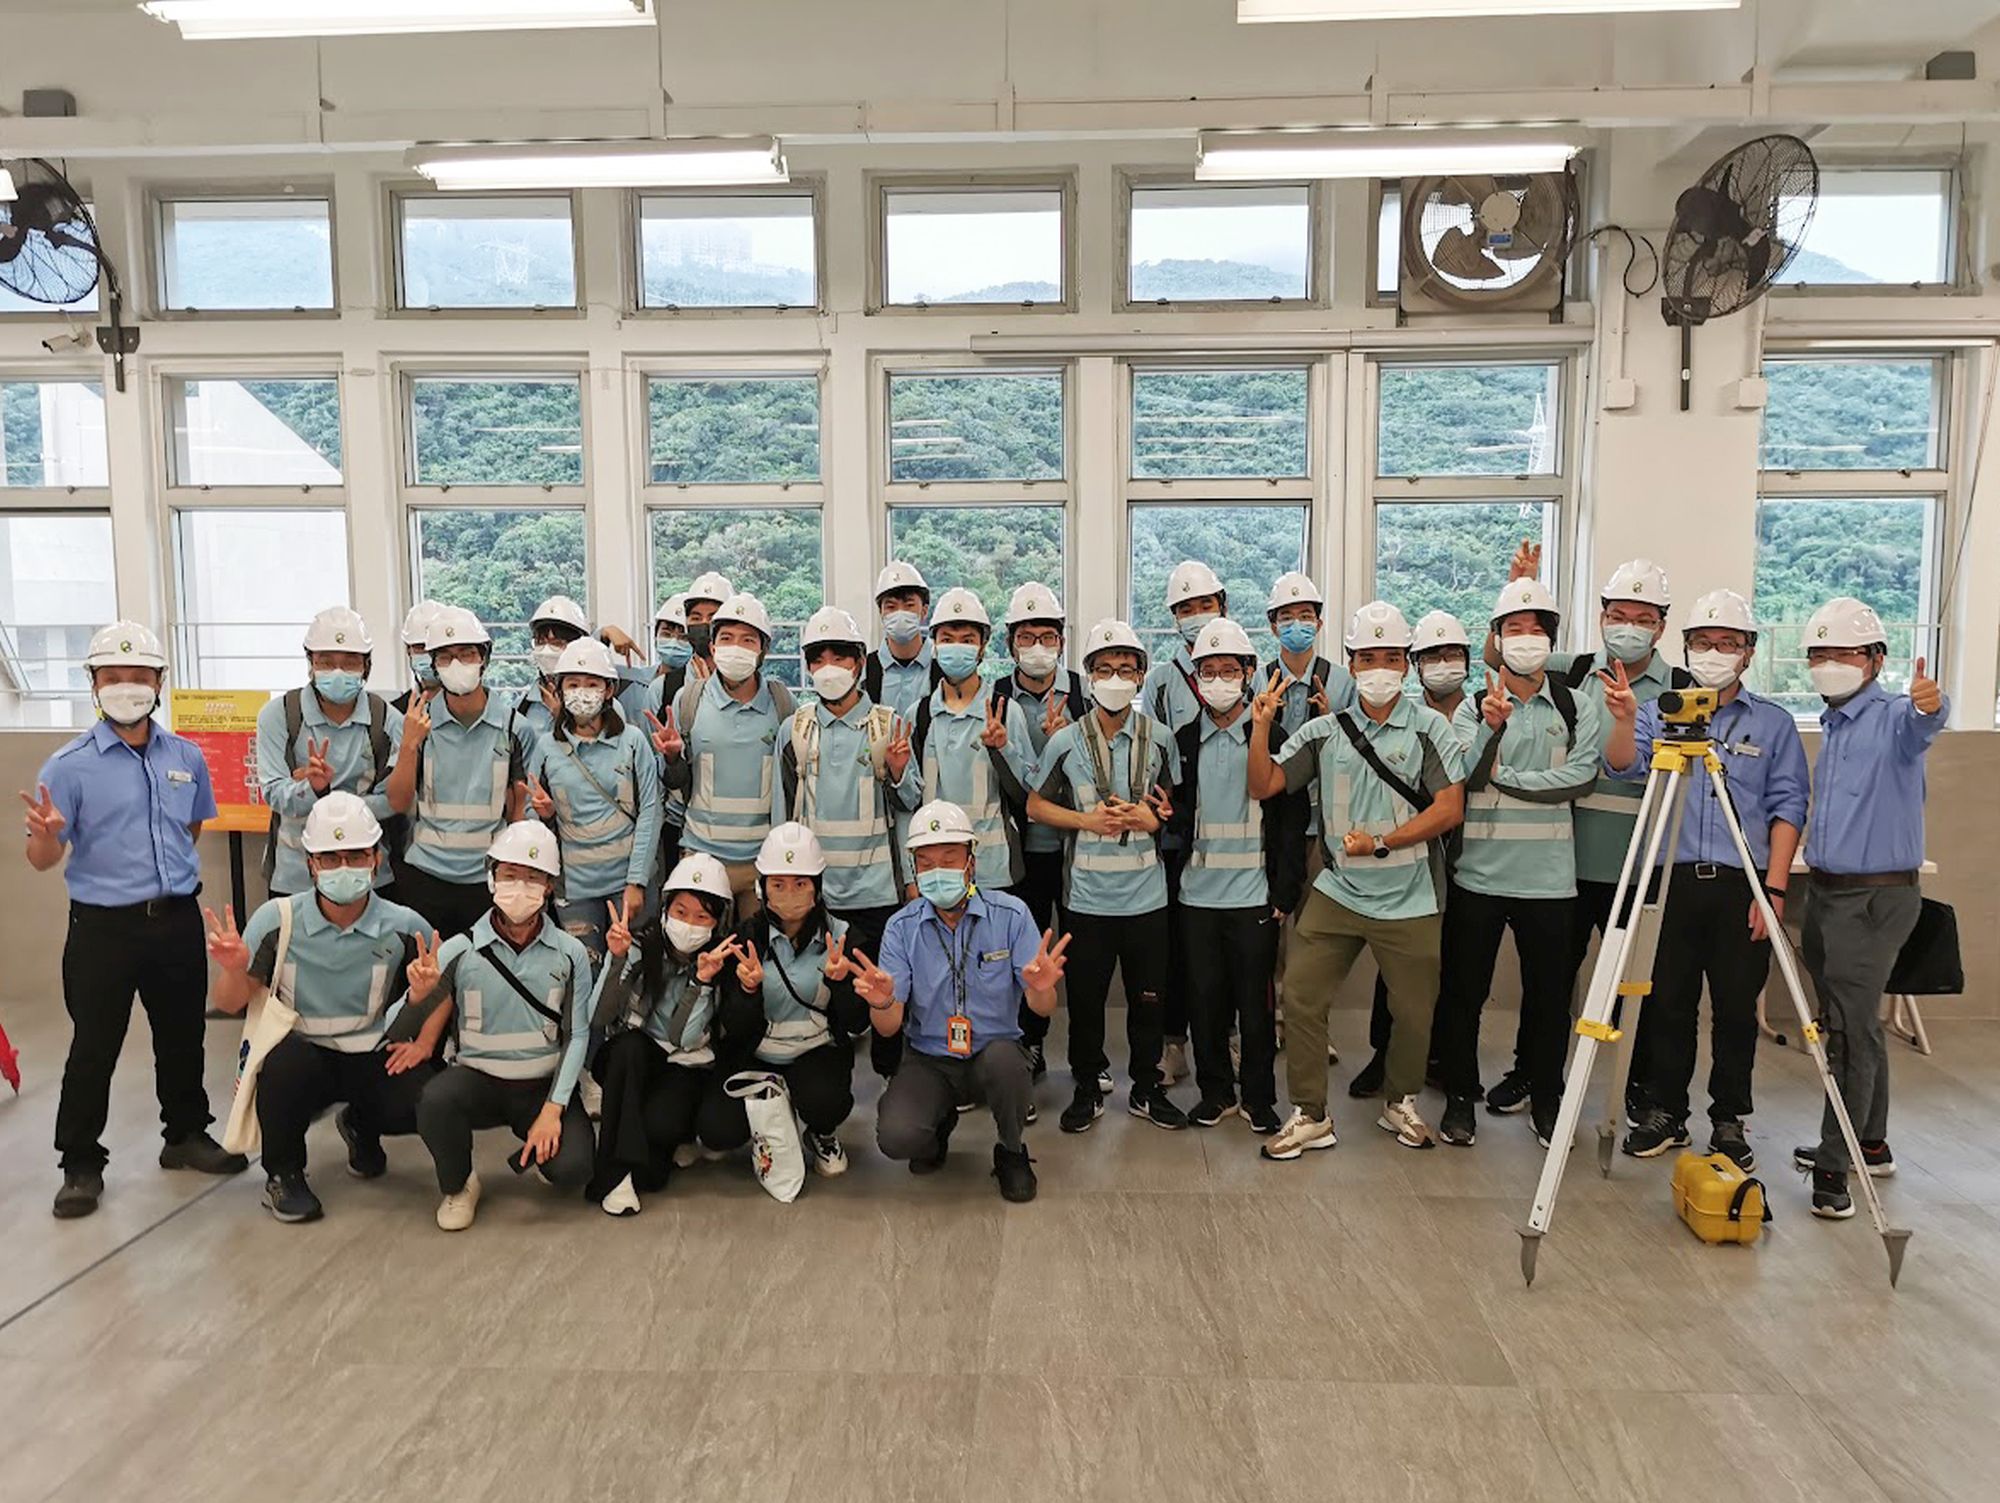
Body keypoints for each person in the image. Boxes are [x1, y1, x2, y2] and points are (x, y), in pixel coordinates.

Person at [22, 621, 247, 1218]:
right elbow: (43, 859)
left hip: (174, 920)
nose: (127, 687)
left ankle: (185, 1136)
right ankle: (80, 1163)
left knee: (182, 1037)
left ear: (159, 682)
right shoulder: (68, 766)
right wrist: (46, 838)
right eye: (113, 676)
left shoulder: (187, 756)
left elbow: (191, 826)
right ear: (93, 684)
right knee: (94, 1046)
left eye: (139, 676)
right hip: (102, 929)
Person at [1247, 602, 1467, 1158]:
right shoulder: (1326, 732)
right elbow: (1266, 785)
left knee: (1415, 1012)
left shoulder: (1428, 728)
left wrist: (1385, 842)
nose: (1378, 669)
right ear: (1349, 660)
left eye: (1391, 657)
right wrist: (1261, 727)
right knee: (1299, 995)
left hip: (1411, 895)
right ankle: (1310, 1114)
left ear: (1407, 664)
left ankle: (1401, 1102)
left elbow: (1449, 808)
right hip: (1339, 890)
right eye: (1367, 658)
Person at [1600, 589, 1808, 1173]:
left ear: (1748, 651)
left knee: (1738, 1008)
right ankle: (1665, 1111)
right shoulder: (1658, 711)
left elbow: (1789, 805)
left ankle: (1729, 1118)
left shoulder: (1774, 722)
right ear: (1685, 647)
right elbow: (1623, 766)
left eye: (1727, 644)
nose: (1715, 653)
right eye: (1703, 643)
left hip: (1744, 884)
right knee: (1669, 1002)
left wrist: (1772, 893)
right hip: (1671, 878)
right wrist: (1621, 720)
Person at [1489, 546, 1681, 1117]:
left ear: (1662, 626)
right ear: (1601, 616)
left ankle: (1639, 1088)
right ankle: (1532, 1072)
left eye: (1644, 618)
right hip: (1567, 861)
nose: (1629, 627)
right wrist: (1515, 595)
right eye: (1619, 614)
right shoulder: (1571, 670)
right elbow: (1500, 663)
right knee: (1550, 982)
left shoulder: (1681, 686)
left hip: (1639, 864)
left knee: (1635, 987)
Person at [204, 794, 436, 1223]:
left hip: (370, 1053)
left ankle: (361, 1127)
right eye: (330, 858)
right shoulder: (276, 920)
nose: (343, 867)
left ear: (376, 858)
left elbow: (440, 992)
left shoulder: (405, 926)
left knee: (428, 1096)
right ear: (310, 864)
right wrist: (236, 970)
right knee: (281, 1067)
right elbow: (229, 1002)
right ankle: (284, 1174)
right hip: (304, 1055)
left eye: (355, 855)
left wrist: (423, 1042)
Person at [1788, 597, 1946, 1219]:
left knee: (1850, 1035)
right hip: (1828, 892)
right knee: (1850, 1024)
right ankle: (1869, 1141)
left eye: (1844, 654)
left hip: (1875, 897)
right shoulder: (1836, 722)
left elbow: (1923, 724)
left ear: (1876, 660)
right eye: (1818, 655)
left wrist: (1932, 703)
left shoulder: (1893, 717)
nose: (1829, 665)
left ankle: (1835, 1166)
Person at [1432, 578, 1603, 1149]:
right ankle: (1460, 1099)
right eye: (1514, 630)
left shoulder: (1577, 705)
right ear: (1497, 639)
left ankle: (1548, 1098)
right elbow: (1466, 777)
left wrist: (1510, 779)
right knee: (1463, 994)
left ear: (1551, 640)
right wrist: (1491, 727)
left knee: (1551, 1000)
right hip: (1478, 876)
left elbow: (1579, 780)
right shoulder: (1470, 711)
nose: (1525, 640)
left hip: (1550, 883)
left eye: (1536, 631)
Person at [853, 801, 1068, 1203]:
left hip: (994, 1050)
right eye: (927, 862)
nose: (939, 871)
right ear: (914, 867)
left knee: (1008, 1064)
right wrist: (883, 1003)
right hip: (930, 1058)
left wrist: (1040, 988)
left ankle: (1010, 1150)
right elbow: (888, 1026)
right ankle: (935, 1132)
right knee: (897, 1137)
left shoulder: (1012, 914)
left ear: (971, 861)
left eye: (949, 858)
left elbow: (1042, 1009)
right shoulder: (901, 929)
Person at [1029, 619, 1184, 1132]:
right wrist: (1084, 820)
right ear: (1089, 676)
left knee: (1148, 1001)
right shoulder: (1066, 741)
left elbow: (1175, 806)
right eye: (1103, 669)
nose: (1114, 678)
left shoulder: (1160, 739)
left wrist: (1156, 818)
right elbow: (1035, 805)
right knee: (1088, 1005)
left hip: (1146, 900)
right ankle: (1086, 1088)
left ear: (1140, 677)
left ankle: (1145, 1088)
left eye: (1124, 670)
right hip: (1088, 899)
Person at [402, 820, 595, 1230]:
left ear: (549, 886)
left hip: (541, 1085)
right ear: (491, 878)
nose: (520, 887)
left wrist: (554, 1109)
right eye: (509, 875)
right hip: (478, 1080)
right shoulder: (459, 950)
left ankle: (543, 1150)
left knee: (575, 1169)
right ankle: (458, 1185)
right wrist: (416, 996)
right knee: (435, 1099)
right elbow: (394, 1026)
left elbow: (578, 1034)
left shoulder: (571, 952)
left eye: (533, 877)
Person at [1168, 618, 1296, 1135]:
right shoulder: (1182, 740)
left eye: (1228, 669)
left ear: (1248, 672)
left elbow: (1290, 823)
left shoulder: (1273, 735)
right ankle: (1215, 1092)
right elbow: (1177, 816)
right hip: (1196, 896)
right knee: (1205, 1002)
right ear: (1195, 678)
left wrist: (1285, 891)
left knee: (1256, 1005)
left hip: (1254, 898)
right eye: (1207, 671)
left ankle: (1260, 1097)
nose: (1218, 679)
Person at [778, 606, 918, 1076]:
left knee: (884, 995)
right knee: (832, 1002)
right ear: (808, 666)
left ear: (860, 662)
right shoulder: (796, 728)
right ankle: (830, 1087)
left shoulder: (886, 724)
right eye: (819, 657)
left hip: (878, 893)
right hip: (820, 895)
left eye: (841, 656)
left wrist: (898, 772)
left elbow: (912, 802)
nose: (830, 667)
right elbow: (787, 814)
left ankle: (893, 1078)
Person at [1350, 608, 1471, 1098]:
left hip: (1475, 860)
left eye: (1453, 655)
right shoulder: (1403, 717)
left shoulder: (1484, 708)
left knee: (1454, 969)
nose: (1443, 664)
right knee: (1395, 968)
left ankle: (1443, 1060)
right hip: (1412, 859)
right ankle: (1385, 1055)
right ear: (1415, 665)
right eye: (1432, 656)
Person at [585, 851, 746, 1216]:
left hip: (683, 1065)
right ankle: (615, 1175)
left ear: (717, 923)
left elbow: (681, 1038)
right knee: (628, 1048)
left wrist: (701, 983)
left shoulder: (722, 964)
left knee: (656, 1160)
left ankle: (648, 1157)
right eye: (681, 912)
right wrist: (616, 960)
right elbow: (598, 1016)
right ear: (665, 909)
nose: (689, 924)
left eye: (702, 916)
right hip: (634, 1059)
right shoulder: (640, 945)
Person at [705, 823, 866, 1177]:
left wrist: (841, 984)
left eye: (800, 883)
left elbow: (857, 1023)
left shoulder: (842, 938)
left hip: (817, 1051)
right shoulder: (743, 940)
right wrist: (747, 991)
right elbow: (734, 1026)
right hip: (758, 1054)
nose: (789, 893)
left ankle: (821, 1133)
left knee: (825, 1101)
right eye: (778, 884)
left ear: (817, 888)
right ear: (762, 888)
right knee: (717, 1130)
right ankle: (771, 1119)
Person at [385, 606, 535, 939]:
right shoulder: (416, 725)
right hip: (425, 877)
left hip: (487, 879)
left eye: (466, 654)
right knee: (427, 980)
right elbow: (397, 801)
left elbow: (519, 809)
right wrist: (410, 745)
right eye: (446, 657)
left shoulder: (514, 728)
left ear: (485, 657)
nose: (457, 665)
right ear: (434, 665)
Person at [989, 581, 1087, 1082]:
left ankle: (1086, 1061)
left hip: (1074, 846)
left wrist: (1060, 745)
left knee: (1077, 951)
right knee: (1024, 952)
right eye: (1026, 638)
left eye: (1047, 637)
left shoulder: (1084, 695)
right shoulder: (996, 698)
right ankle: (1028, 1044)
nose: (1037, 648)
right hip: (1019, 851)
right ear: (1010, 644)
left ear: (1062, 642)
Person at [517, 637, 662, 963]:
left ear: (609, 690)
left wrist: (637, 881)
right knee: (585, 971)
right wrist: (546, 816)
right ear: (560, 689)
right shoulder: (546, 747)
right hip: (575, 890)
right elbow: (531, 810)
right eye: (573, 683)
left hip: (628, 884)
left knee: (634, 971)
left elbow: (651, 810)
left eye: (592, 683)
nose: (582, 692)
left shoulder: (632, 741)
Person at [1258, 570, 1354, 1061]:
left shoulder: (1343, 682)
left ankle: (1312, 1026)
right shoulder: (1257, 680)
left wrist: (1332, 722)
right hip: (1271, 828)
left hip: (1325, 828)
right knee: (1269, 931)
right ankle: (1269, 1022)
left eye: (1305, 616)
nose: (1297, 625)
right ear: (1273, 626)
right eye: (1286, 617)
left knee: (1317, 936)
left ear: (1319, 622)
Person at [654, 591, 794, 920]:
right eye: (727, 638)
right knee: (697, 954)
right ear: (713, 646)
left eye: (748, 640)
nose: (736, 647)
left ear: (763, 651)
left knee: (753, 960)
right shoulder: (689, 700)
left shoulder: (782, 704)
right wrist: (673, 758)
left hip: (761, 860)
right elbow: (677, 783)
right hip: (701, 855)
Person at [1144, 559, 1230, 1088]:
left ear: (1222, 606)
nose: (1197, 616)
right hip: (1177, 835)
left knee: (1231, 949)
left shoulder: (1244, 666)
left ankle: (1229, 1039)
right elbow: (1152, 755)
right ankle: (1173, 1043)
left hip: (1232, 833)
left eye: (1205, 605)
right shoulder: (1160, 679)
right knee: (1176, 947)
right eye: (1185, 609)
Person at [255, 606, 395, 899]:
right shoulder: (279, 715)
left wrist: (326, 799)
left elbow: (395, 801)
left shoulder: (386, 718)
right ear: (311, 663)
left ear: (366, 665)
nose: (338, 672)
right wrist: (313, 790)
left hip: (368, 877)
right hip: (295, 878)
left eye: (350, 662)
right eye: (326, 662)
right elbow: (274, 793)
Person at [912, 586, 1034, 895]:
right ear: (935, 646)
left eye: (967, 640)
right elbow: (909, 801)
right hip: (936, 873)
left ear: (982, 647)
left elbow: (1027, 795)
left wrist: (1002, 749)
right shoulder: (921, 713)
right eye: (947, 639)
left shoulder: (1006, 711)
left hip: (994, 869)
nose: (957, 648)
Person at [866, 560, 940, 718]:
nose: (900, 613)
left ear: (924, 611)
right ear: (881, 613)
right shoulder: (866, 670)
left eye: (909, 605)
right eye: (891, 607)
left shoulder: (942, 666)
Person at [391, 600, 442, 715]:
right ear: (408, 650)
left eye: (435, 649)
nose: (429, 656)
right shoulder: (394, 713)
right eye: (420, 647)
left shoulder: (470, 707)